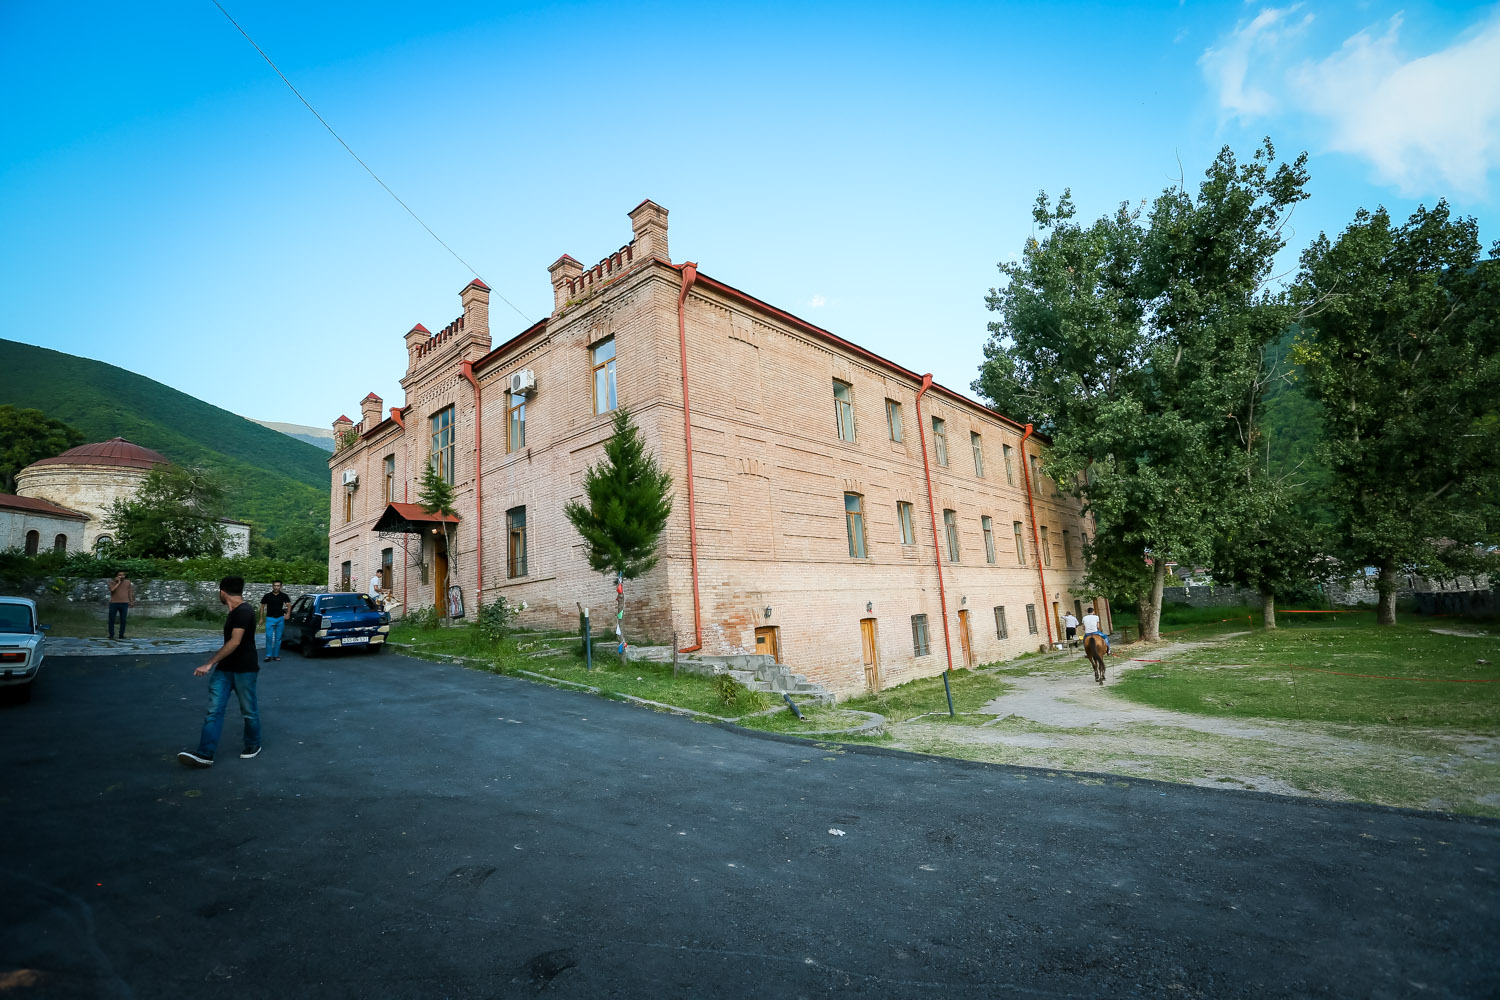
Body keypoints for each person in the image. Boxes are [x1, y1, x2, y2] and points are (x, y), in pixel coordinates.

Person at [177, 576, 261, 768]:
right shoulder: (234, 612)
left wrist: (209, 663)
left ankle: (253, 744)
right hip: (225, 669)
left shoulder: (244, 610)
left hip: (244, 670)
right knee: (214, 711)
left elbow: (235, 641)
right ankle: (205, 754)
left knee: (249, 710)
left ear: (222, 592)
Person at [259, 580, 291, 661]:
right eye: (275, 586)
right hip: (270, 618)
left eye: (278, 586)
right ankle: (268, 655)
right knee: (269, 637)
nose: (276, 587)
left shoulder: (284, 596)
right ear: (272, 586)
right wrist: (261, 618)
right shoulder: (267, 596)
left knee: (278, 638)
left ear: (281, 586)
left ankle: (276, 655)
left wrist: (287, 614)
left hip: (280, 618)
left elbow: (288, 605)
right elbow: (262, 607)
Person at [107, 570, 134, 639]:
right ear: (116, 576)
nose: (122, 576)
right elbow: (112, 590)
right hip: (114, 603)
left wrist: (131, 601)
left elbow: (130, 592)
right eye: (120, 575)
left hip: (124, 603)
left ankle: (121, 634)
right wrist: (118, 582)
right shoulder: (111, 582)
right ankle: (111, 634)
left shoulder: (128, 582)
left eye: (123, 575)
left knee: (123, 620)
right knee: (111, 619)